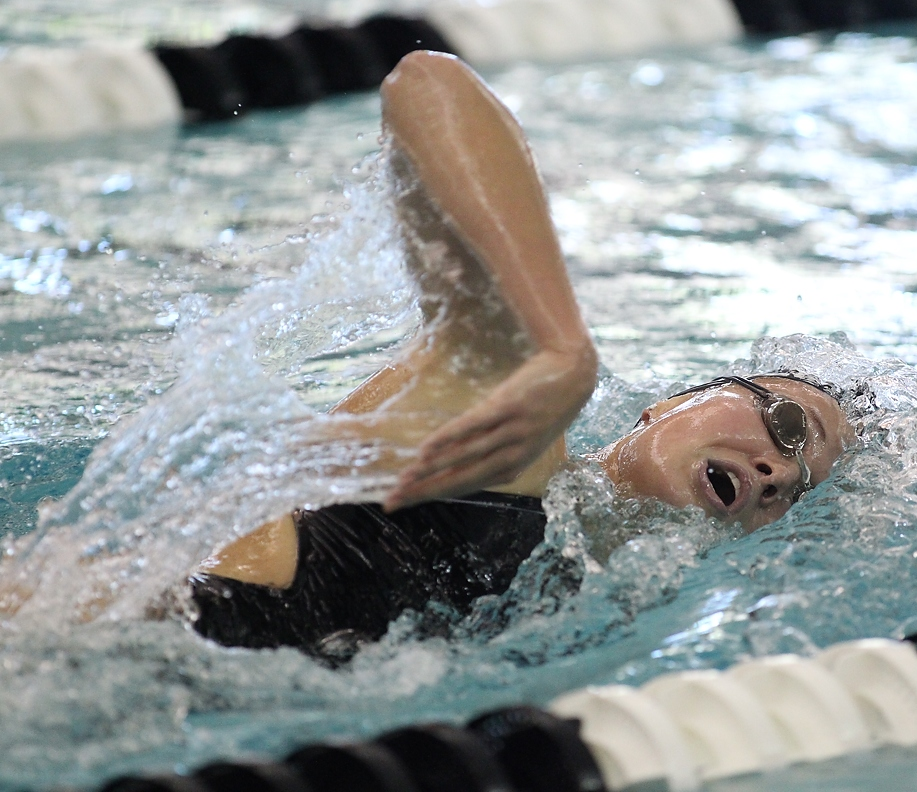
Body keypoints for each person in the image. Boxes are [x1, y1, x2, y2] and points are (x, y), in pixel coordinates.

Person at [189, 51, 855, 659]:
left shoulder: (590, 616)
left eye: (797, 491)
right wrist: (565, 352)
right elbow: (429, 84)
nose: (777, 472)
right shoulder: (513, 433)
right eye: (788, 426)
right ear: (672, 403)